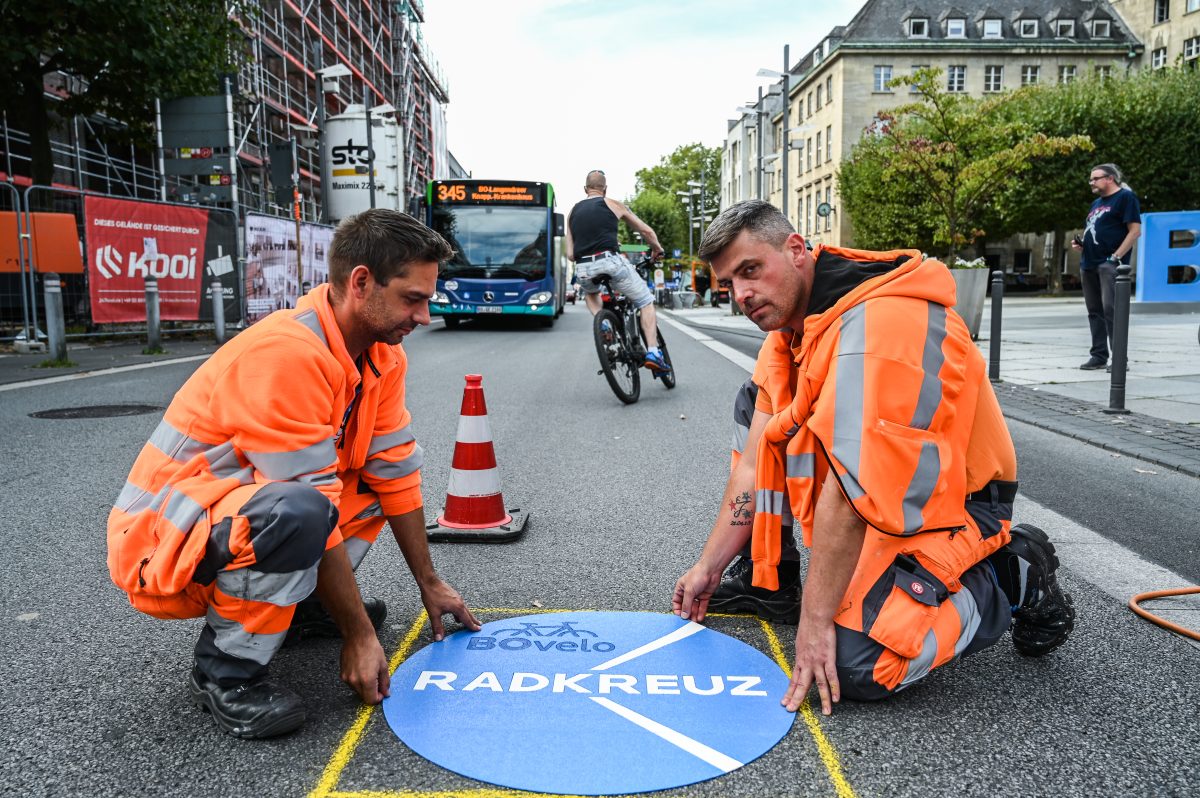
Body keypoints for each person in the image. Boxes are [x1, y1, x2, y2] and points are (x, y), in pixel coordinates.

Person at [672, 200, 1075, 715]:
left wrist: (816, 624)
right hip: (872, 501)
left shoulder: (880, 328)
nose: (742, 295)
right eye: (729, 283)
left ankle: (1009, 573)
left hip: (951, 507)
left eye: (751, 270)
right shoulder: (791, 333)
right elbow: (755, 462)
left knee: (854, 666)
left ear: (796, 250)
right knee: (756, 405)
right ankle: (768, 575)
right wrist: (709, 566)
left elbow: (849, 484)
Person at [107, 209, 481, 739]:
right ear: (360, 283)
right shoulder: (286, 353)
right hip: (163, 540)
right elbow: (311, 501)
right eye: (412, 298)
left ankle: (298, 606)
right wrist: (357, 634)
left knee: (371, 487)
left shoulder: (381, 356)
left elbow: (395, 471)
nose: (424, 316)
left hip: (233, 513)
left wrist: (430, 582)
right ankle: (226, 670)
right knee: (304, 510)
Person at [565, 169, 670, 374]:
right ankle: (654, 353)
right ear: (605, 189)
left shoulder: (573, 212)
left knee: (591, 291)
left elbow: (570, 254)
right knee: (645, 301)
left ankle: (602, 320)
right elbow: (646, 231)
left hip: (584, 268)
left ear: (585, 189)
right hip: (610, 261)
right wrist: (657, 248)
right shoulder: (612, 204)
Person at [1071, 163, 1141, 371]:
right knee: (1094, 311)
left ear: (1110, 178)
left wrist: (1115, 257)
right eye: (1091, 179)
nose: (1091, 182)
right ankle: (1099, 355)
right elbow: (1096, 231)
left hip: (1109, 265)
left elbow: (1135, 231)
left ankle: (1119, 359)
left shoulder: (1126, 198)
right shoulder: (1095, 204)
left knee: (1112, 310)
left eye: (1095, 178)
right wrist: (1081, 245)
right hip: (1089, 263)